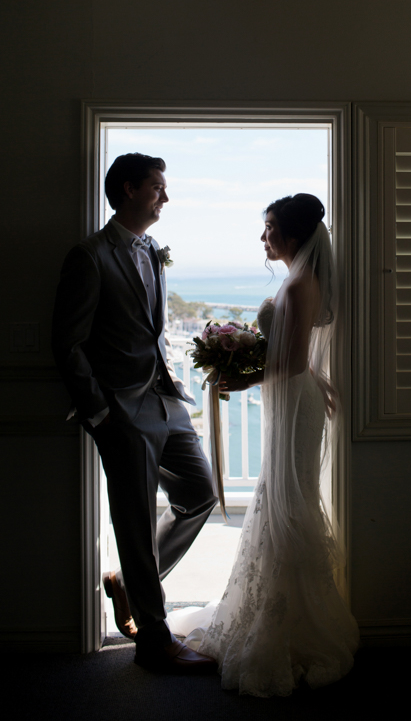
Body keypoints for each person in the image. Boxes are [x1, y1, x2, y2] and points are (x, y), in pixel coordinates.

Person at [174, 194, 359, 697]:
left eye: (271, 228)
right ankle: (283, 611)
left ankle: (289, 624)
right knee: (283, 500)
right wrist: (283, 374)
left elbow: (291, 363)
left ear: (294, 237)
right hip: (296, 402)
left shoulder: (300, 284)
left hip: (292, 404)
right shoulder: (302, 279)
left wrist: (242, 379)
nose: (264, 238)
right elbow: (300, 358)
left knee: (287, 503)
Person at [52, 153, 217, 673]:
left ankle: (127, 582)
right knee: (135, 523)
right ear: (128, 190)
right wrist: (100, 413)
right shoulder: (90, 255)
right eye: (157, 188)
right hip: (121, 410)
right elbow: (68, 342)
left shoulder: (150, 249)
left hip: (166, 400)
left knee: (200, 493)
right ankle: (154, 640)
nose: (164, 197)